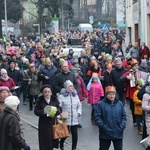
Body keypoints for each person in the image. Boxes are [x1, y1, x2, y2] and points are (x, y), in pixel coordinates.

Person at [94, 86, 126, 150]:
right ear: (106, 95)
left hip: (118, 133)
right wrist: (103, 127)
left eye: (113, 94)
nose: (112, 96)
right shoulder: (100, 104)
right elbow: (97, 117)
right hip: (105, 134)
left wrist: (122, 126)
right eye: (110, 94)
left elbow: (123, 116)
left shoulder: (119, 104)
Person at [34, 85, 62, 150]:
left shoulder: (54, 99)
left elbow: (60, 108)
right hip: (44, 123)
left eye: (48, 92)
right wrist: (44, 112)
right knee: (44, 140)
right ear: (43, 93)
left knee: (52, 140)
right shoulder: (40, 100)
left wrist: (56, 111)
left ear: (51, 93)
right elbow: (36, 111)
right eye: (45, 92)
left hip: (53, 122)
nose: (47, 93)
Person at [58, 80, 82, 150]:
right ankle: (61, 143)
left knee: (75, 134)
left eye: (72, 86)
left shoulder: (75, 95)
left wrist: (78, 113)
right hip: (66, 118)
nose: (71, 88)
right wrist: (60, 116)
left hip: (74, 117)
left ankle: (74, 148)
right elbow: (59, 107)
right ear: (66, 88)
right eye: (69, 86)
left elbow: (79, 106)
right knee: (65, 133)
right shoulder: (62, 96)